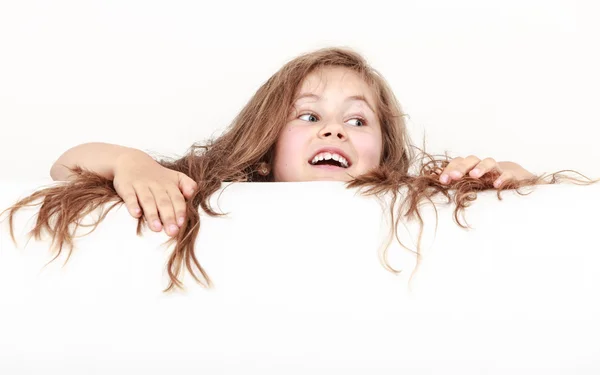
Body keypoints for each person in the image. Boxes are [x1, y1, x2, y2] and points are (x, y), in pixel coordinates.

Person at [2, 47, 596, 291]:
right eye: (308, 116)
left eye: (357, 122)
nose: (334, 129)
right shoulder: (219, 189)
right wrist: (132, 163)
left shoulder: (410, 199)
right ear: (266, 145)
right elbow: (63, 164)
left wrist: (509, 178)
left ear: (385, 154)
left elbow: (530, 207)